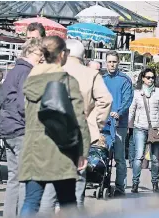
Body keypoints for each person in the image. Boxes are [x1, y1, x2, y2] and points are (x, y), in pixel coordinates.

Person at [19, 36, 90, 217]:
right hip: (62, 148)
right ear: (61, 55)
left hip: (34, 147)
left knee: (31, 201)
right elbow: (78, 119)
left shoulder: (30, 81)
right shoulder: (66, 81)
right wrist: (83, 151)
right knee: (68, 202)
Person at [39, 39, 112, 215]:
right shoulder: (91, 74)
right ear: (83, 56)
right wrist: (95, 122)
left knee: (50, 185)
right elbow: (106, 100)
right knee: (77, 182)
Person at [0, 38, 44, 218]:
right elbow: (24, 104)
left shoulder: (13, 71)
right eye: (40, 55)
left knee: (14, 178)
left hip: (8, 127)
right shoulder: (27, 72)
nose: (42, 59)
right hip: (21, 128)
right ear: (31, 53)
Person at [128, 68, 159, 193]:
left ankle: (155, 182)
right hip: (140, 127)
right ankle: (135, 183)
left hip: (155, 128)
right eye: (148, 77)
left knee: (155, 159)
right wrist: (125, 124)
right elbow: (131, 110)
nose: (151, 79)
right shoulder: (137, 93)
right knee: (139, 156)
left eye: (152, 77)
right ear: (143, 78)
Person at [102, 50, 133, 196]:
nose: (112, 64)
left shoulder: (125, 80)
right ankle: (102, 181)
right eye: (109, 61)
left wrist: (118, 112)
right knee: (103, 154)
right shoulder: (102, 79)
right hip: (103, 124)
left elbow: (128, 100)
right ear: (106, 62)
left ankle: (120, 187)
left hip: (119, 124)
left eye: (114, 61)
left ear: (118, 62)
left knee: (119, 157)